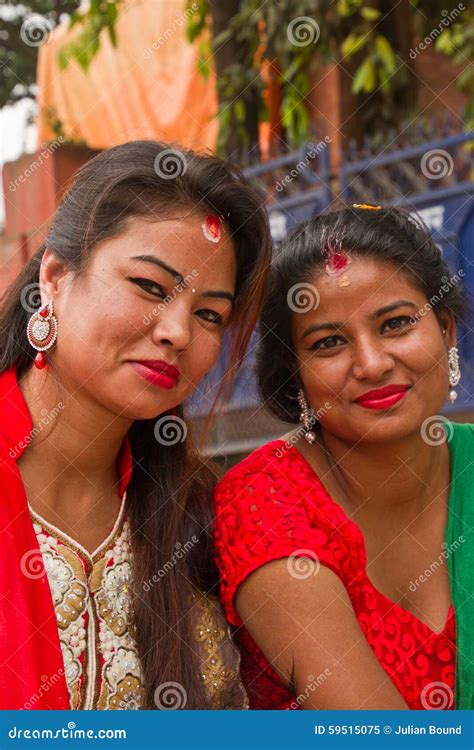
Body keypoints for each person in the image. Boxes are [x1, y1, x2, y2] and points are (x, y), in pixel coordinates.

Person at [0, 140, 272, 710]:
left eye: (209, 314)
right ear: (54, 276)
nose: (178, 331)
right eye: (150, 287)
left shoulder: (197, 512)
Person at [214, 205, 473, 710]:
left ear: (446, 332)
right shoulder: (265, 502)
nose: (372, 363)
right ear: (296, 374)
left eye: (396, 324)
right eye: (329, 342)